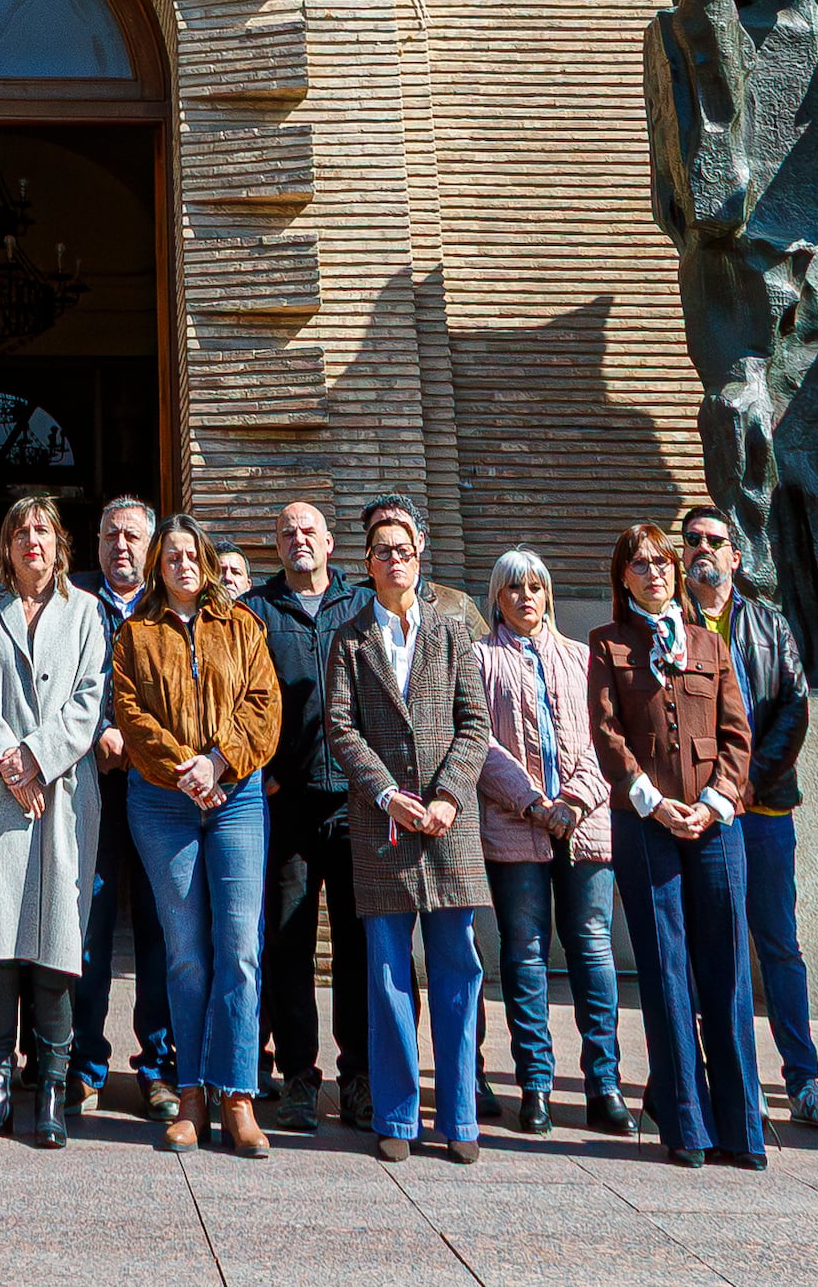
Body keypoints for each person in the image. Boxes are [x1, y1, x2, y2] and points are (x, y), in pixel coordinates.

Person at [590, 522, 763, 1171]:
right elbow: (608, 734)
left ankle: (742, 1127)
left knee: (727, 972)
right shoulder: (608, 643)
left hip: (716, 822)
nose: (655, 572)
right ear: (624, 576)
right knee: (666, 974)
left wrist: (715, 801)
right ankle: (686, 1124)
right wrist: (652, 801)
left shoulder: (706, 643)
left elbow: (737, 732)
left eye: (663, 561)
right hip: (645, 823)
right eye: (640, 563)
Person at [678, 502, 818, 1139]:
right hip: (699, 815)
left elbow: (795, 709)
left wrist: (746, 783)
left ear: (735, 555)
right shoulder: (669, 626)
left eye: (713, 540)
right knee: (705, 948)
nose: (702, 548)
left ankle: (803, 1081)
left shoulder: (767, 622)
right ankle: (709, 1079)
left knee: (778, 945)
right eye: (691, 539)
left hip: (763, 809)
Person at [105, 511, 277, 1157]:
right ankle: (192, 1093)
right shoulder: (135, 632)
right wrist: (185, 765)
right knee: (185, 951)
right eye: (170, 554)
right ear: (158, 565)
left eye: (190, 552)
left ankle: (238, 1095)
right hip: (162, 800)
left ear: (206, 561)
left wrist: (219, 760)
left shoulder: (243, 625)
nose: (182, 562)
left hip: (235, 795)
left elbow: (264, 703)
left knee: (237, 944)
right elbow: (130, 711)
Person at [327, 498, 491, 1166]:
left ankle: (459, 1117)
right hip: (382, 826)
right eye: (381, 549)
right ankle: (397, 1112)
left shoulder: (453, 633)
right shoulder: (350, 636)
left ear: (420, 554)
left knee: (458, 971)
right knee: (389, 974)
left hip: (450, 829)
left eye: (404, 547)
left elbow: (476, 722)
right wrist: (389, 794)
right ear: (366, 562)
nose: (394, 558)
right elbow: (340, 725)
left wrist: (449, 795)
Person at [0, 491, 105, 1149]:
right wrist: (8, 759)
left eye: (41, 530)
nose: (31, 540)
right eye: (19, 531)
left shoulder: (87, 612)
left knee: (53, 949)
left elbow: (90, 698)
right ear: (6, 547)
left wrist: (37, 757)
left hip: (62, 796)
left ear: (58, 543)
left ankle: (52, 1093)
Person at [472, 546, 622, 1138]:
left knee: (592, 946)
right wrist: (534, 803)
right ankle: (534, 1082)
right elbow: (478, 743)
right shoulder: (479, 659)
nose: (525, 598)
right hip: (516, 825)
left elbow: (604, 738)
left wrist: (575, 801)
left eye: (535, 587)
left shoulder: (583, 659)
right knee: (525, 950)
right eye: (513, 589)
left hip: (585, 824)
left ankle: (602, 1083)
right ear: (498, 598)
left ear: (549, 596)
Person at [245, 495, 373, 1130]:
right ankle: (298, 1077)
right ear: (277, 546)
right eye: (287, 530)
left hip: (356, 804)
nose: (299, 538)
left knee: (356, 945)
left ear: (330, 544)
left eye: (310, 530)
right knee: (289, 942)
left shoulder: (364, 604)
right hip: (287, 802)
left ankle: (359, 1079)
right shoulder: (256, 611)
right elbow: (239, 697)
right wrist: (262, 772)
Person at [68, 492, 179, 1120]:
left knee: (161, 928)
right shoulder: (75, 600)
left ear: (153, 545)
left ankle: (158, 1067)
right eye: (112, 535)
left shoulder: (171, 603)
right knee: (91, 926)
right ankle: (83, 1064)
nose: (121, 547)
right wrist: (96, 732)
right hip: (92, 787)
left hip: (160, 791)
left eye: (133, 536)